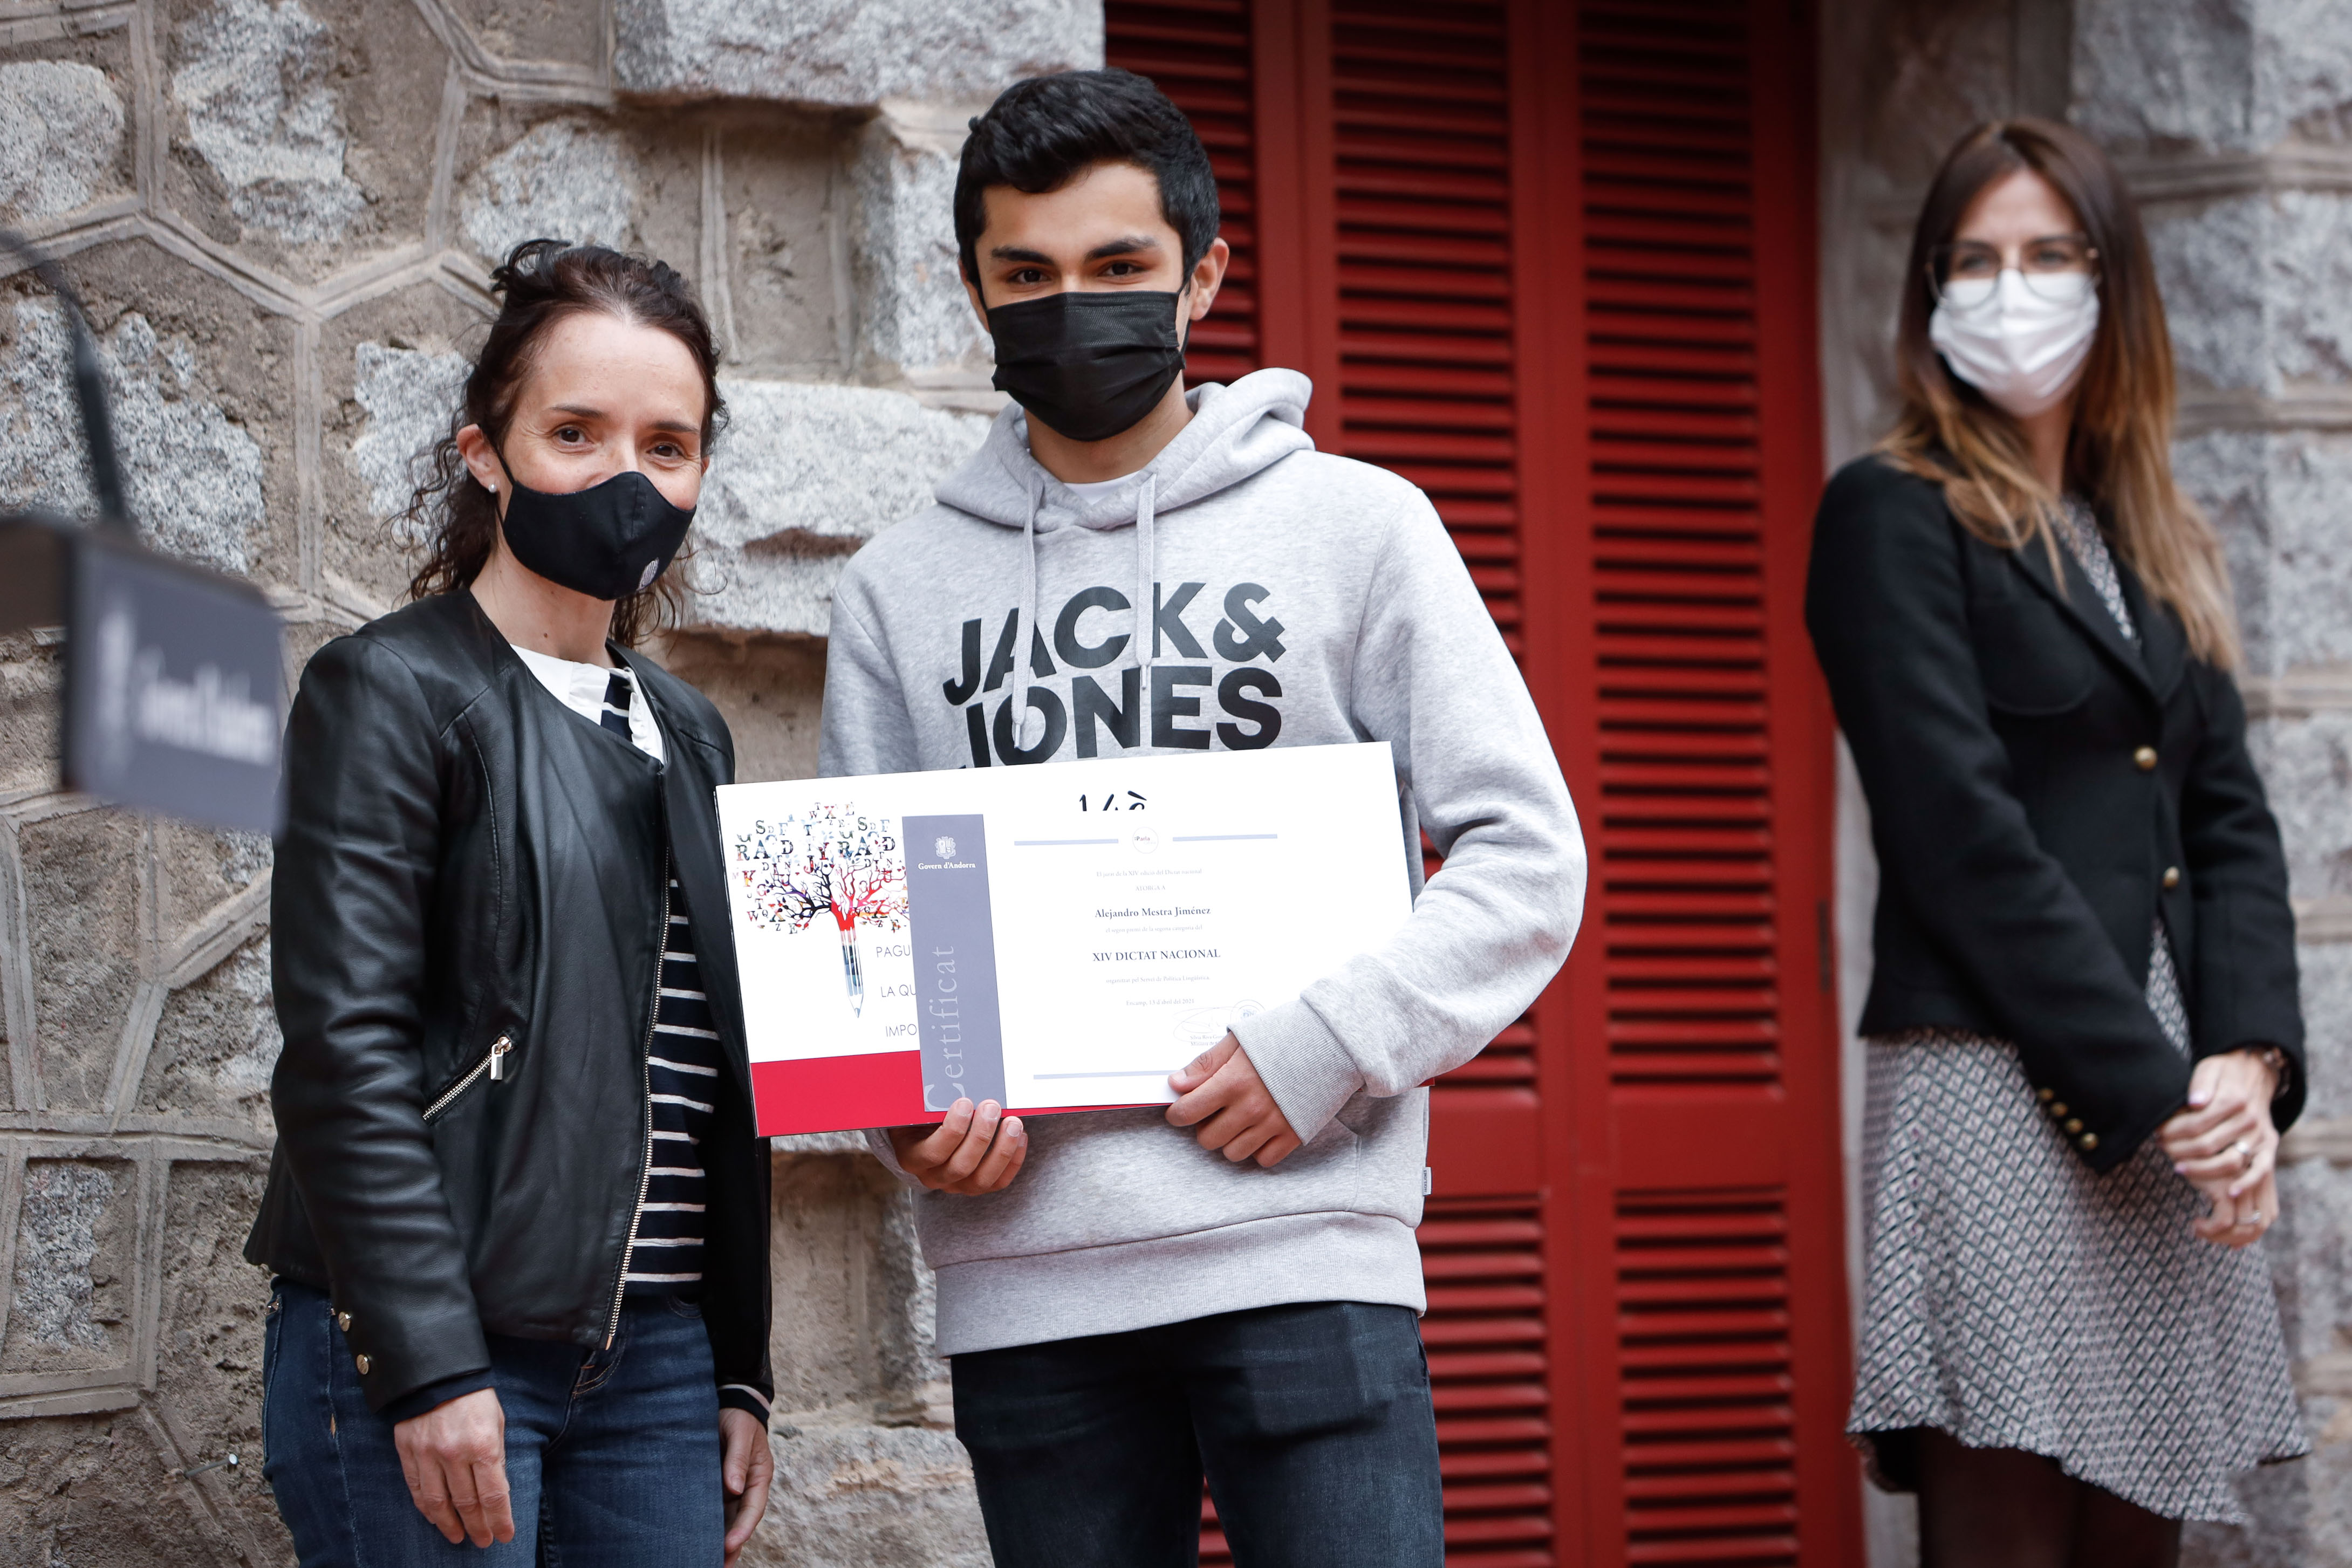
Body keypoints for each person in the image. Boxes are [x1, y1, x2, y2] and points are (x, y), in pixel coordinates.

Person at [816, 69, 1585, 1568]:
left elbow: (1526, 854)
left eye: (1118, 269)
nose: (1069, 306)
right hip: (1031, 1290)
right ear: (970, 285)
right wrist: (913, 1105)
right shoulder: (893, 589)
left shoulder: (1360, 528)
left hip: (1306, 1249)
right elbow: (871, 939)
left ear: (1206, 275)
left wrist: (1325, 1047)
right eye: (1023, 276)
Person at [1808, 119, 2308, 1567]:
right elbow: (1958, 831)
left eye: (2046, 255)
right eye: (1973, 260)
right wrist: (2162, 1088)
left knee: (2134, 1531)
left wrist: (2246, 1062)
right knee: (2009, 1522)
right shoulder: (1890, 514)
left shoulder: (2147, 535)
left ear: (2115, 286)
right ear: (1930, 294)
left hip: (2163, 1087)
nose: (2008, 290)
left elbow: (2230, 824)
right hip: (1993, 1077)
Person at [246, 240, 775, 1566]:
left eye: (669, 444)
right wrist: (425, 1365)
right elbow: (341, 1052)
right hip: (440, 1346)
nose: (626, 477)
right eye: (576, 431)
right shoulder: (392, 691)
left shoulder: (693, 730)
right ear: (486, 451)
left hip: (655, 1365)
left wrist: (737, 1365)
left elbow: (717, 1064)